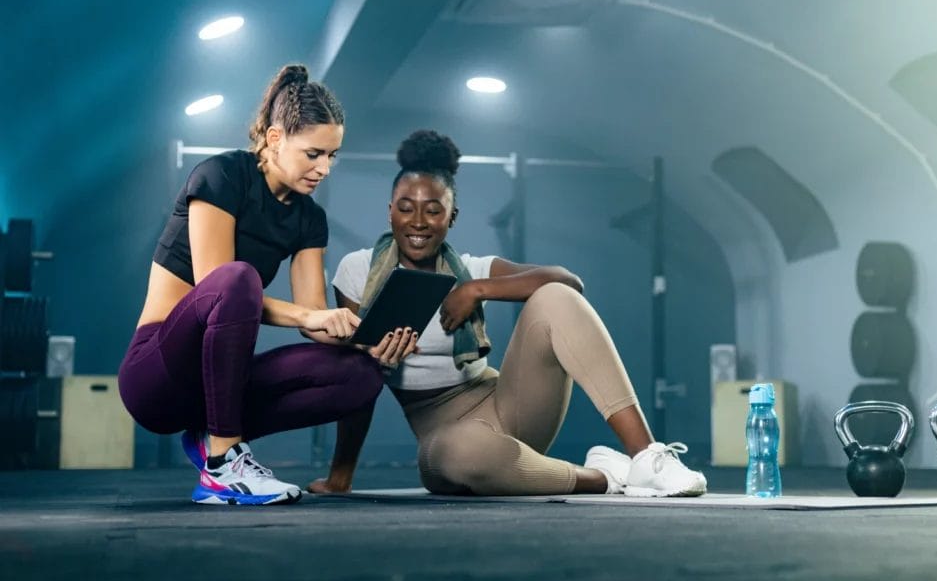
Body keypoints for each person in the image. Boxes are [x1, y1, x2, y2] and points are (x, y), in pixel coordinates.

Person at [309, 129, 707, 497]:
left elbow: (568, 280)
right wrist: (341, 474)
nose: (418, 222)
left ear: (451, 217)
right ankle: (606, 476)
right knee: (460, 455)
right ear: (390, 211)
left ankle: (645, 457)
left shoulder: (473, 268)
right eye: (406, 208)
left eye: (433, 210)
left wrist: (476, 289)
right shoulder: (358, 270)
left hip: (509, 407)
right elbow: (355, 380)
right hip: (446, 438)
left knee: (554, 296)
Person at [117, 65, 417, 506]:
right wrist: (309, 315)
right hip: (157, 375)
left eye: (332, 156)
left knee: (359, 377)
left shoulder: (309, 218)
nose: (324, 168)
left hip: (217, 386)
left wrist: (365, 339)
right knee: (238, 277)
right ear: (275, 138)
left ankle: (211, 436)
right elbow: (217, 287)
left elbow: (313, 319)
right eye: (313, 154)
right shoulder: (221, 176)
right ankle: (223, 465)